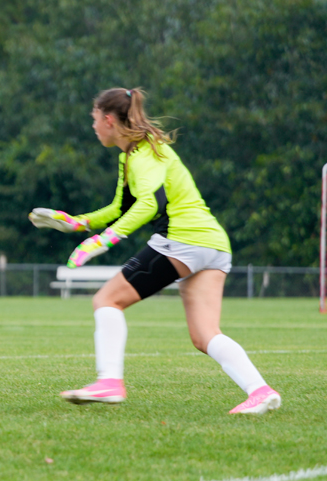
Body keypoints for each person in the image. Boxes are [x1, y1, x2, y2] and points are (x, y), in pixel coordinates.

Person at [29, 88, 281, 415]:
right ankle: (260, 391)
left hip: (183, 240)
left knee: (107, 300)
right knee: (205, 335)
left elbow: (149, 204)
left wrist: (102, 241)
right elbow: (121, 207)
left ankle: (109, 382)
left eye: (94, 119)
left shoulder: (144, 154)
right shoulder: (134, 155)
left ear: (108, 120)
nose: (92, 127)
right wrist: (77, 224)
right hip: (213, 244)